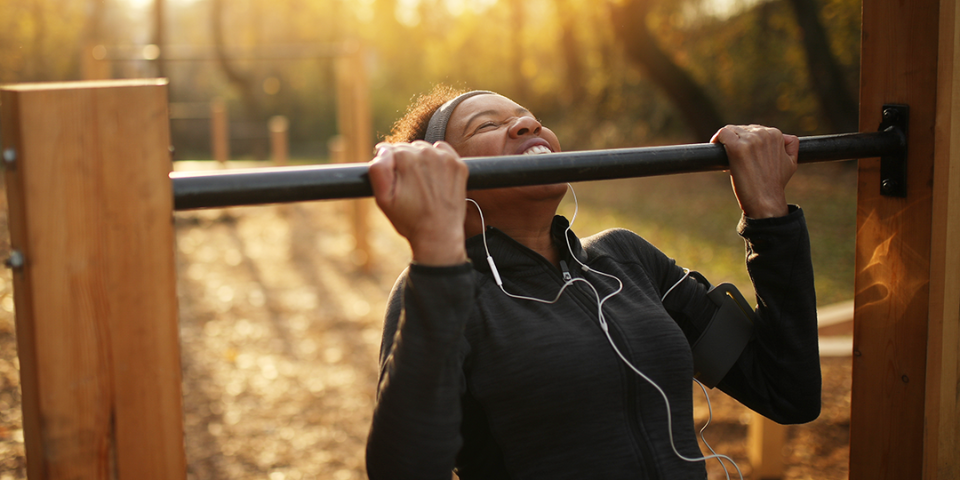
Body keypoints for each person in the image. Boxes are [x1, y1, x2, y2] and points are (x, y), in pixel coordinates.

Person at [364, 86, 821, 479]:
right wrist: (437, 257)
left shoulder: (627, 256)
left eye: (531, 118)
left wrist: (769, 219)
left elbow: (785, 390)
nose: (526, 124)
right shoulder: (435, 289)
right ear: (444, 176)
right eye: (486, 125)